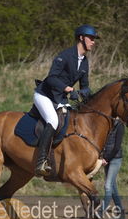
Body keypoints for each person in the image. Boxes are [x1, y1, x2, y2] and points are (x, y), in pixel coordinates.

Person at [33, 24, 100, 177]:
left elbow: (85, 86)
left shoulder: (84, 62)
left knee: (72, 123)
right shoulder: (65, 55)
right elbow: (51, 78)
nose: (93, 42)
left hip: (60, 98)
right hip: (45, 95)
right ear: (81, 38)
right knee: (53, 120)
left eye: (94, 39)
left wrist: (82, 93)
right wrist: (68, 89)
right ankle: (41, 161)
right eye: (91, 38)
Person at [100, 118, 125, 219]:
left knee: (107, 186)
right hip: (107, 159)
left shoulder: (120, 126)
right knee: (113, 188)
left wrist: (106, 158)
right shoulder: (107, 124)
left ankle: (100, 212)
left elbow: (116, 147)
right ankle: (121, 213)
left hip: (115, 159)